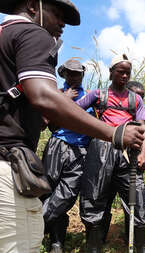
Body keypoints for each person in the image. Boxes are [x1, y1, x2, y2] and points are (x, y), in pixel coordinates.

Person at [0, 1, 144, 252]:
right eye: (58, 14)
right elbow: (44, 97)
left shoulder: (4, 36)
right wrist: (114, 132)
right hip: (8, 161)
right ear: (34, 6)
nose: (63, 24)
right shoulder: (33, 33)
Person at [76, 54, 145, 252]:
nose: (125, 76)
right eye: (120, 72)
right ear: (111, 72)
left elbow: (143, 127)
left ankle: (142, 248)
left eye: (128, 73)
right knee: (94, 196)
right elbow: (74, 110)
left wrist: (144, 154)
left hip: (127, 153)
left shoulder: (136, 99)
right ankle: (93, 247)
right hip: (101, 148)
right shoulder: (97, 94)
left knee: (138, 198)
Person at [40, 59, 94, 253]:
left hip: (80, 151)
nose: (73, 77)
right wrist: (65, 100)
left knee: (67, 194)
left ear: (82, 75)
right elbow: (50, 125)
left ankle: (36, 226)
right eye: (70, 73)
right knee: (49, 190)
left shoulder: (90, 97)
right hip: (57, 146)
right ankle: (57, 241)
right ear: (64, 75)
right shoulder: (57, 95)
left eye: (77, 74)